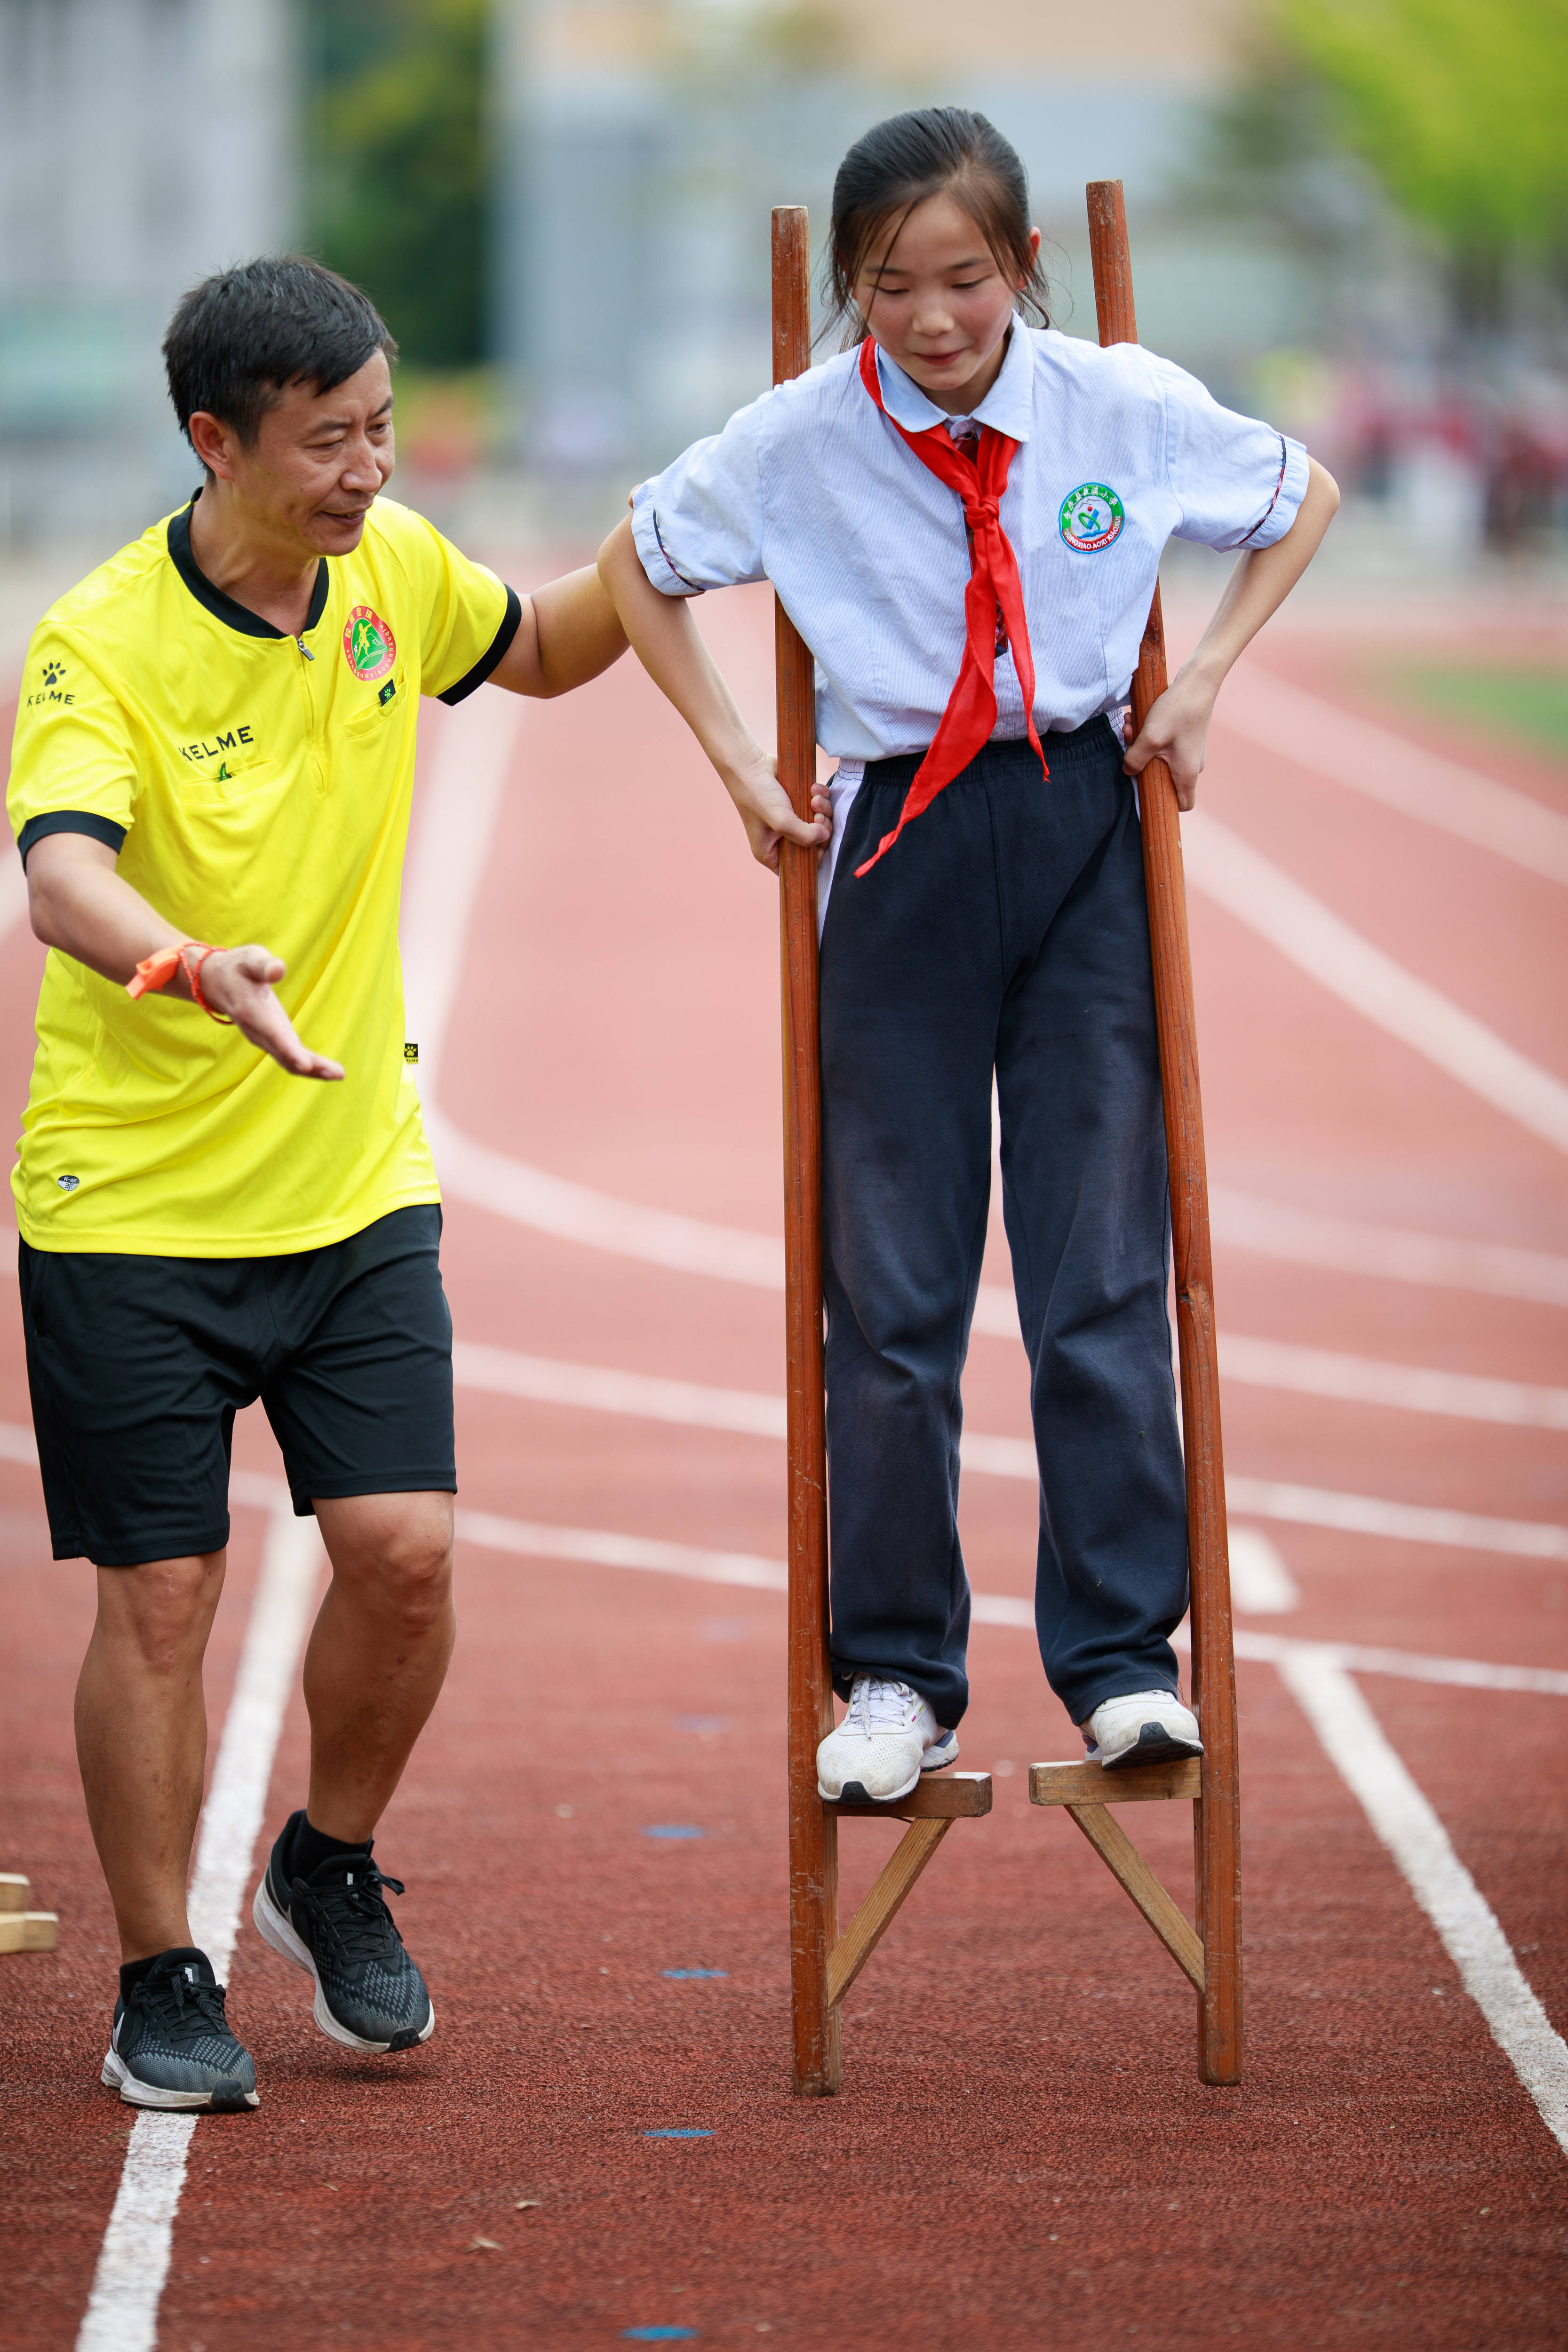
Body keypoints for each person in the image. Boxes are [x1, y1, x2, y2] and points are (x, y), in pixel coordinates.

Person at [600, 109, 1339, 1804]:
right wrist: (735, 764)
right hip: (898, 845)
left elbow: (1303, 496)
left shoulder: (1117, 404)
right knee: (895, 1298)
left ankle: (1121, 1663)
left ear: (1024, 268)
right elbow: (639, 565)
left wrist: (1207, 673)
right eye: (890, 287)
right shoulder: (795, 438)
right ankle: (897, 1678)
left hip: (1085, 826)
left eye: (966, 279)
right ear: (853, 286)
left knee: (1098, 1278)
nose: (933, 321)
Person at [8, 257, 626, 2110]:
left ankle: (326, 1862)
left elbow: (547, 640)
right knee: (165, 1598)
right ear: (217, 440)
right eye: (329, 438)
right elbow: (58, 870)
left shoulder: (392, 574)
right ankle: (157, 1970)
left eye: (379, 422)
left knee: (409, 1557)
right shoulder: (103, 638)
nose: (370, 465)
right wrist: (192, 965)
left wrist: (705, 523)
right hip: (132, 1201)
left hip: (350, 1181)